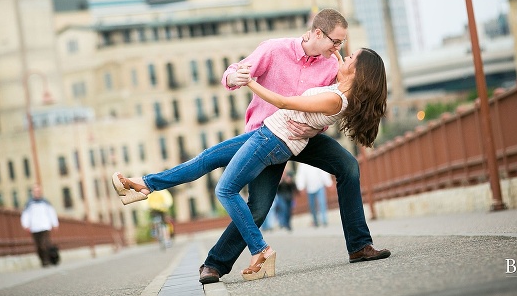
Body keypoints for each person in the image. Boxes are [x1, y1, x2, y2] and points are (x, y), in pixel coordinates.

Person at [114, 45, 388, 280]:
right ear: (318, 34)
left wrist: (251, 82)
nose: (341, 52)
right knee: (212, 165)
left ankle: (356, 245)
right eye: (338, 44)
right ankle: (147, 186)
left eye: (348, 53)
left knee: (347, 166)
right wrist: (340, 56)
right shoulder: (282, 51)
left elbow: (285, 101)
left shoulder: (334, 93)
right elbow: (342, 73)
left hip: (281, 137)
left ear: (358, 73)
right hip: (268, 131)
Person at [20, 184, 59, 267]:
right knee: (38, 246)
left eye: (38, 191)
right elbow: (25, 215)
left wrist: (55, 223)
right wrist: (25, 225)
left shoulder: (45, 202)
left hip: (45, 226)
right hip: (34, 227)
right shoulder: (29, 203)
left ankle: (48, 260)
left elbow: (51, 213)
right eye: (35, 191)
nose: (37, 192)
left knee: (45, 244)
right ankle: (43, 261)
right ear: (33, 192)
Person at [295, 162, 333, 227]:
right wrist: (301, 187)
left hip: (319, 185)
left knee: (322, 203)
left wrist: (329, 183)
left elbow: (323, 171)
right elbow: (300, 175)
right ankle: (315, 221)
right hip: (309, 188)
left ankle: (324, 220)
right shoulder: (302, 164)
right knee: (312, 205)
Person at [274, 167, 297, 231]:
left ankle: (288, 224)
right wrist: (281, 182)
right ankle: (283, 223)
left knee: (288, 211)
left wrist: (290, 182)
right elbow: (277, 188)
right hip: (281, 196)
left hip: (289, 196)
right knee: (283, 209)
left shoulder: (290, 178)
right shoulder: (279, 178)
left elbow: (294, 187)